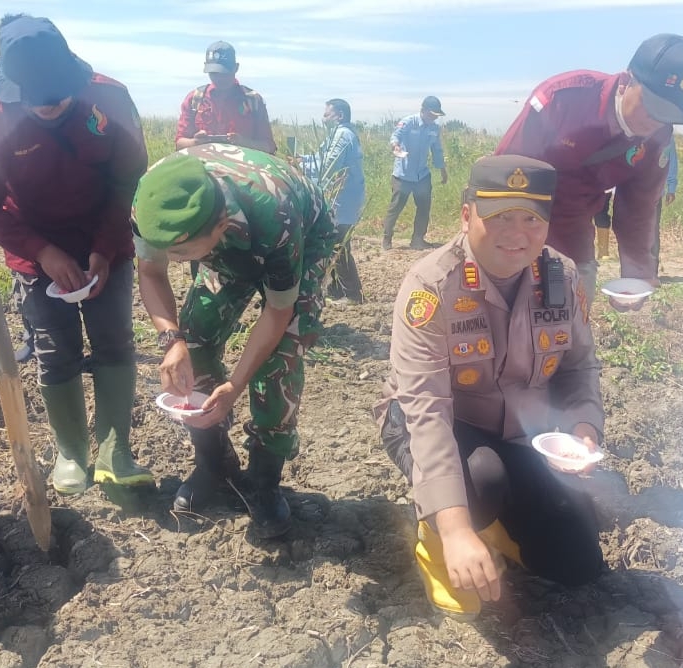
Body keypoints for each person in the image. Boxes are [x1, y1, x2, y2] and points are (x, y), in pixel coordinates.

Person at [375, 154, 607, 619]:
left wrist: (583, 430)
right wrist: (457, 528)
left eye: (531, 219)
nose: (517, 234)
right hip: (439, 425)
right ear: (467, 215)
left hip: (522, 433)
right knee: (481, 479)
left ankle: (495, 523)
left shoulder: (560, 276)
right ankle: (438, 535)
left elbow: (579, 368)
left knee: (577, 562)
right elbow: (426, 410)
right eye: (499, 217)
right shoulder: (430, 286)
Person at [0, 14, 151, 495]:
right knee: (54, 347)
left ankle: (115, 448)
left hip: (104, 236)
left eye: (58, 98)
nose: (49, 108)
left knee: (113, 339)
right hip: (34, 245)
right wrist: (42, 252)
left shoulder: (109, 99)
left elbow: (128, 180)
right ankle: (71, 451)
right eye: (37, 101)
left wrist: (105, 248)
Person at [133, 143, 339, 538]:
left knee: (279, 358)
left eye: (181, 252)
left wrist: (237, 383)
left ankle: (264, 479)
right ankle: (215, 463)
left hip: (300, 238)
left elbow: (278, 312)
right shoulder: (153, 202)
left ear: (221, 226)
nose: (172, 258)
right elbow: (151, 271)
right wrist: (171, 340)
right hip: (224, 238)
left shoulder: (273, 214)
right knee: (194, 339)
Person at [496, 33, 683, 309]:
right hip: (518, 227)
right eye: (652, 107)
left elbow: (639, 208)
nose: (656, 121)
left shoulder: (658, 138)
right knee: (505, 321)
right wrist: (503, 246)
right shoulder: (564, 100)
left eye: (669, 114)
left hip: (574, 233)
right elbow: (504, 174)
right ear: (627, 81)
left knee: (571, 320)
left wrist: (637, 271)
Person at [301, 98, 366, 304]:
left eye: (327, 114)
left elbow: (329, 166)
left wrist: (303, 170)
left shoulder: (342, 135)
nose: (323, 118)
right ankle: (336, 289)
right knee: (332, 243)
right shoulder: (336, 135)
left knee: (338, 244)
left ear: (339, 115)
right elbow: (320, 158)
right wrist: (301, 160)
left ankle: (353, 294)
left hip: (343, 198)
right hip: (340, 197)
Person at [175, 41, 276, 155]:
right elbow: (180, 143)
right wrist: (196, 142)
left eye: (224, 73)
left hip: (243, 170)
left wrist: (244, 143)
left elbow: (269, 146)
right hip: (203, 168)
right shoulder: (195, 99)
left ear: (236, 68)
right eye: (214, 73)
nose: (219, 78)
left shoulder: (252, 101)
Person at [381, 96, 448, 250]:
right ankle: (387, 238)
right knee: (396, 207)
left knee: (424, 207)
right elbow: (395, 136)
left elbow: (437, 151)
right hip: (403, 174)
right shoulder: (408, 122)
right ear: (423, 110)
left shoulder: (434, 129)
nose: (434, 118)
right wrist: (395, 147)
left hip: (422, 175)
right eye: (432, 114)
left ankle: (418, 239)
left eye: (436, 116)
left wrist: (443, 171)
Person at [596, 143, 676, 266]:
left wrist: (671, 186)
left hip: (653, 193)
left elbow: (671, 160)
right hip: (628, 192)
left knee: (651, 230)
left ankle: (651, 270)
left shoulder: (667, 135)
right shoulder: (629, 131)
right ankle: (630, 269)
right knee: (627, 230)